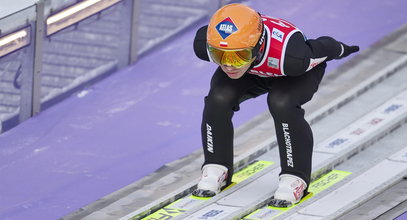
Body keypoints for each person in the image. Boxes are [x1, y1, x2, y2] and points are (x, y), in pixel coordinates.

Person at [191, 3, 359, 207]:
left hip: (291, 73)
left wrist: (344, 49)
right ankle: (217, 166)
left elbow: (325, 47)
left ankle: (294, 178)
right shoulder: (204, 44)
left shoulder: (293, 56)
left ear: (258, 46)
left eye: (239, 55)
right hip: (251, 71)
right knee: (218, 99)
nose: (227, 65)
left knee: (282, 103)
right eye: (219, 55)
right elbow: (230, 59)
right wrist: (237, 58)